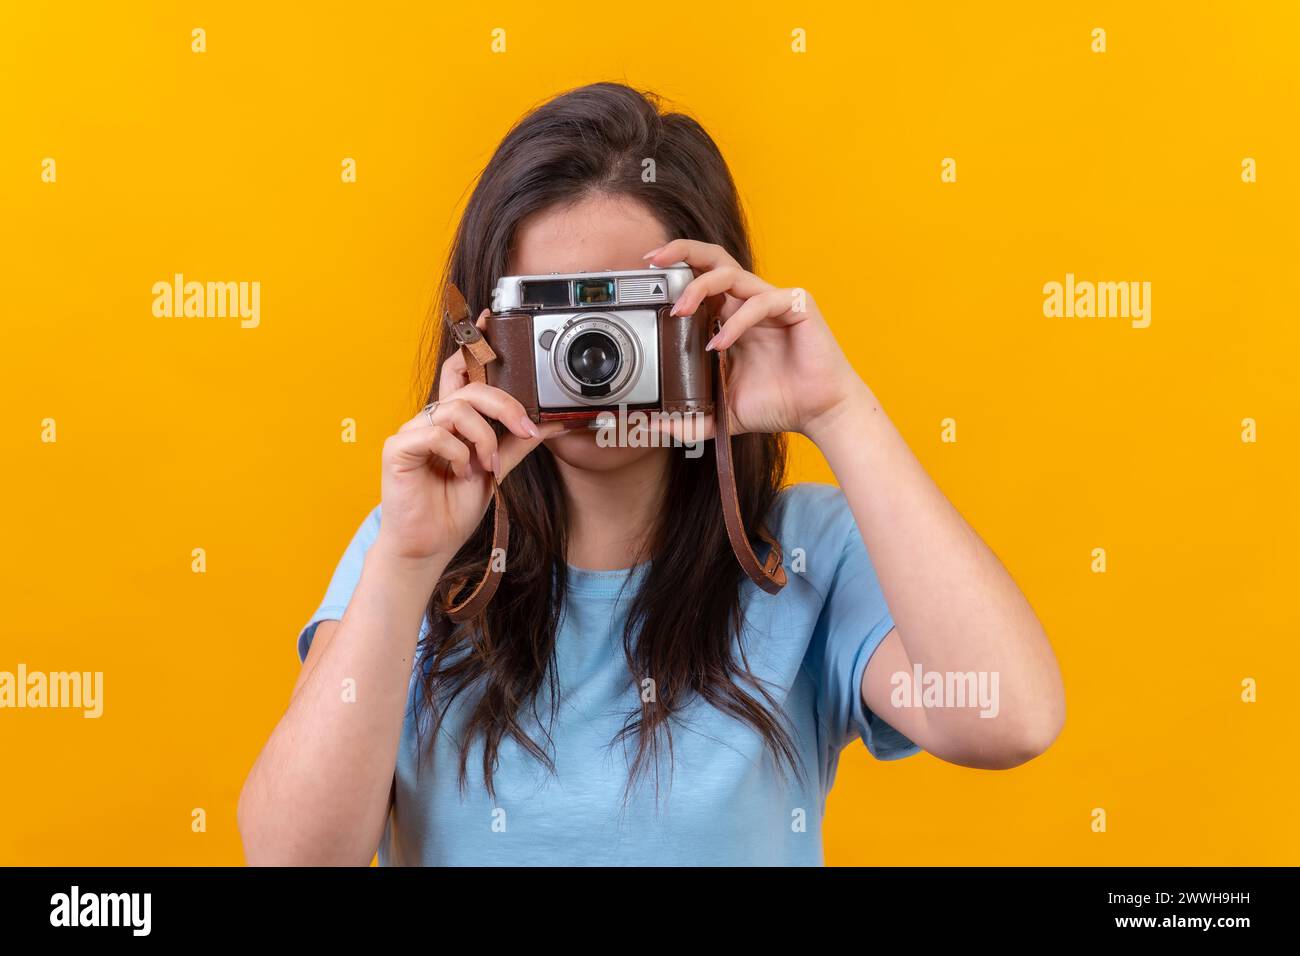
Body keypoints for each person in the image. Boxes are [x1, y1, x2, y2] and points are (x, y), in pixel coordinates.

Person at [237, 82, 1065, 866]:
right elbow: (287, 859)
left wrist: (837, 411)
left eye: (628, 309)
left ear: (714, 306)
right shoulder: (412, 556)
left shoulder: (803, 552)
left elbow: (1010, 720)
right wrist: (407, 562)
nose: (593, 357)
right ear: (485, 333)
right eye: (555, 313)